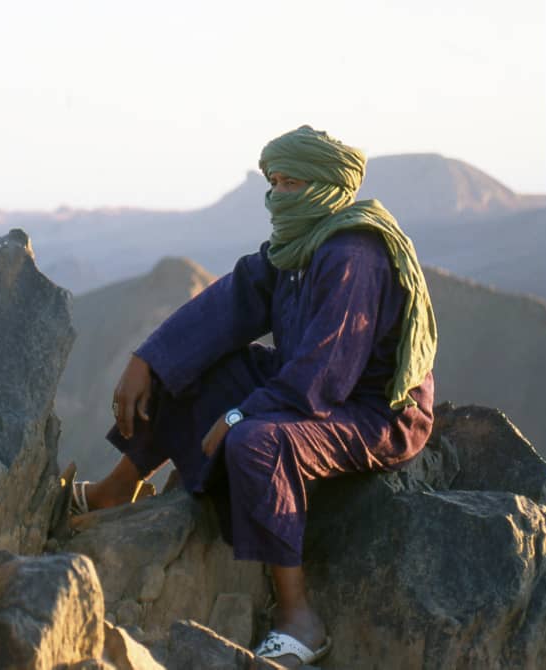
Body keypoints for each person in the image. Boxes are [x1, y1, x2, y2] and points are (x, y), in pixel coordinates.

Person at [72, 125, 437, 668]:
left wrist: (245, 411)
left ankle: (299, 619)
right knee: (190, 363)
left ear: (327, 188)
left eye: (292, 183)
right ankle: (116, 490)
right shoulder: (298, 246)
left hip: (370, 410)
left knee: (257, 443)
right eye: (274, 182)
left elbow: (326, 374)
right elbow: (229, 304)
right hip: (311, 386)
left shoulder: (353, 256)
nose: (278, 196)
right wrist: (147, 359)